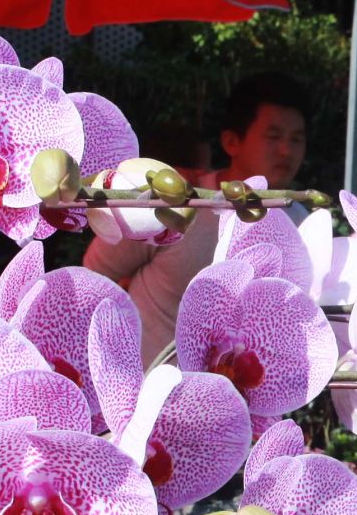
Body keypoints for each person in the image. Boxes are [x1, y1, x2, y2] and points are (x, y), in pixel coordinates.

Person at [84, 73, 310, 360]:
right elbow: (94, 275)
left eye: (296, 139)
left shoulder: (300, 223)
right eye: (273, 136)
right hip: (147, 376)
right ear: (231, 142)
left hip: (233, 385)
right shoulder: (176, 203)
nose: (286, 150)